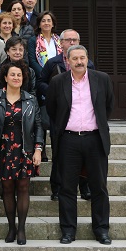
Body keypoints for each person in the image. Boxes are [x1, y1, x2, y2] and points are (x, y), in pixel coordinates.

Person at [46, 45, 114, 246]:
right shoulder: (58, 82)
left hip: (95, 139)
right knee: (67, 188)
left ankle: (101, 230)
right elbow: (52, 108)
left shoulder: (101, 79)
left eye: (82, 57)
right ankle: (68, 231)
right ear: (67, 61)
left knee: (99, 187)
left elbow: (107, 106)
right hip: (68, 140)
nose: (79, 62)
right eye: (74, 58)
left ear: (87, 58)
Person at [0, 60, 43, 245]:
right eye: (12, 74)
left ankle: (21, 229)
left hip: (24, 149)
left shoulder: (30, 99)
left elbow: (38, 126)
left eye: (19, 75)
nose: (16, 77)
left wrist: (38, 149)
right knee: (7, 189)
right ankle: (11, 227)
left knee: (23, 188)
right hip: (3, 149)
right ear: (5, 77)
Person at [37, 29, 94, 201]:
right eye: (68, 40)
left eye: (74, 40)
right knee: (59, 154)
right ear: (60, 43)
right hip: (60, 118)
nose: (71, 43)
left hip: (83, 118)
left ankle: (85, 188)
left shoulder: (88, 64)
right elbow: (40, 83)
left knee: (85, 158)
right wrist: (55, 93)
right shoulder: (52, 63)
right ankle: (57, 188)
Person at [28, 11, 62, 81]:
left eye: (49, 21)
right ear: (39, 25)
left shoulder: (60, 40)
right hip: (41, 78)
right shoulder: (33, 40)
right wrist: (44, 74)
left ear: (52, 24)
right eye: (43, 21)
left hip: (59, 76)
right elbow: (32, 61)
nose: (46, 23)